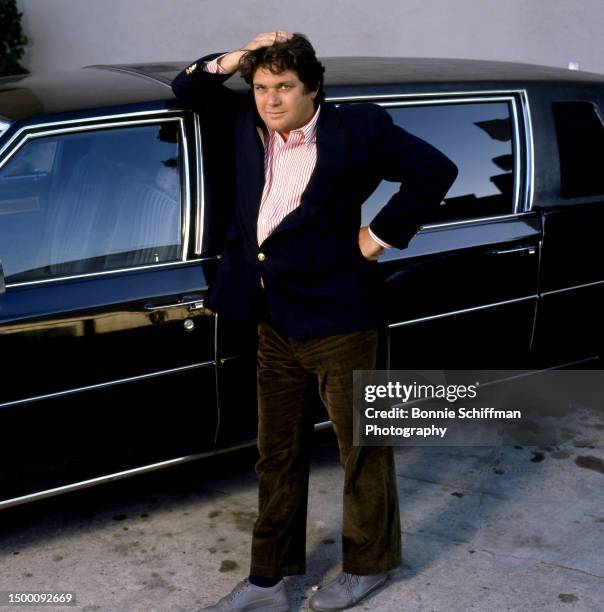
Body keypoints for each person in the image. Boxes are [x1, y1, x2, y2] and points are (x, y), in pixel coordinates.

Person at [172, 30, 458, 612]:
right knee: (275, 453)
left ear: (313, 88)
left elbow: (436, 169)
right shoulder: (245, 123)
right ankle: (267, 581)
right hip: (271, 318)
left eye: (284, 87)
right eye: (260, 87)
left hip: (342, 318)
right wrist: (239, 54)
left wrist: (377, 237)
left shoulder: (357, 129)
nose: (271, 100)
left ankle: (369, 566)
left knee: (362, 452)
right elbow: (187, 85)